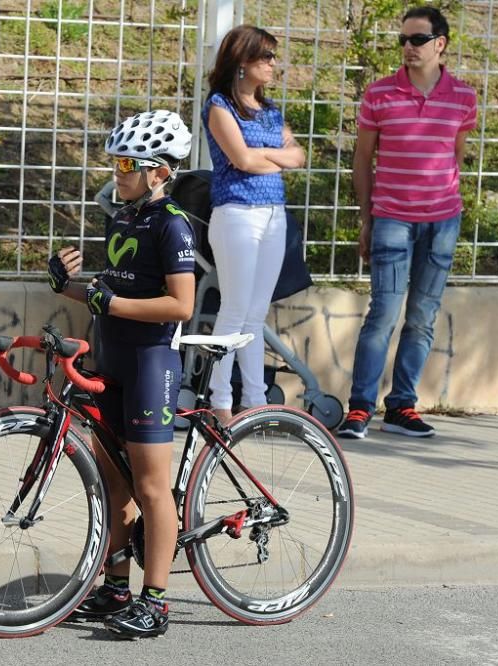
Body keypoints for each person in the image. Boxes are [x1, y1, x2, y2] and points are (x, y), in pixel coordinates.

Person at [47, 110, 195, 639]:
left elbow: (179, 305)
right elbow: (107, 292)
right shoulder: (123, 218)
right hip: (111, 357)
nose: (118, 170)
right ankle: (116, 587)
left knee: (152, 487)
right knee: (115, 483)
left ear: (158, 171)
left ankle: (156, 601)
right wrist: (65, 284)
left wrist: (107, 303)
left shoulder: (172, 222)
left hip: (151, 361)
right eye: (115, 161)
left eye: (128, 162)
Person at [338, 6, 476, 439]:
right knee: (383, 313)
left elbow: (455, 155)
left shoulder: (463, 97)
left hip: (443, 222)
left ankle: (401, 407)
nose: (408, 48)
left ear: (441, 44)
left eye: (417, 40)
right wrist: (367, 219)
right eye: (403, 40)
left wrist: (444, 200)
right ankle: (360, 408)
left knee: (422, 317)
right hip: (392, 219)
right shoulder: (380, 94)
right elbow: (362, 159)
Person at [201, 24, 305, 422]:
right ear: (242, 62)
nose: (273, 64)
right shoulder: (219, 106)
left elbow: (297, 157)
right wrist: (269, 154)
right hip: (236, 215)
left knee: (256, 313)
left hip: (273, 216)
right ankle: (221, 400)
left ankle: (256, 401)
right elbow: (241, 161)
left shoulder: (271, 110)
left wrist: (261, 153)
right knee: (234, 308)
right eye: (266, 57)